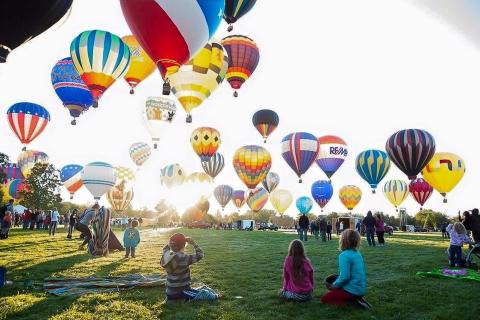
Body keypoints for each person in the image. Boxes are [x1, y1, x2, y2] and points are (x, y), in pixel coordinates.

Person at [161, 233, 217, 302]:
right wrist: (194, 243)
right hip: (181, 292)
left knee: (199, 290)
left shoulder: (166, 255)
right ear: (184, 245)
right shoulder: (184, 258)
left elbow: (165, 248)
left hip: (170, 292)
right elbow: (200, 255)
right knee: (207, 294)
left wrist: (172, 242)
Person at [321, 229, 370, 309]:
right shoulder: (357, 254)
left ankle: (352, 302)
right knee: (335, 279)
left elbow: (345, 277)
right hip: (360, 289)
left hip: (352, 290)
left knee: (325, 299)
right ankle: (357, 298)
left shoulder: (344, 255)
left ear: (343, 241)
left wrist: (334, 286)